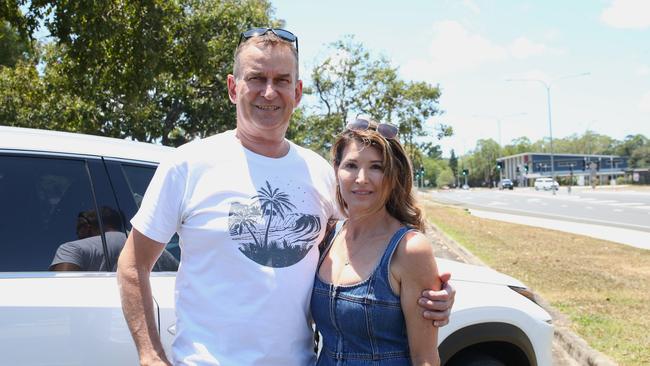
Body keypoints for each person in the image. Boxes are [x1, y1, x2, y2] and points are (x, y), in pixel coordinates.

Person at [117, 27, 455, 366]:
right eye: (256, 78)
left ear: (297, 91)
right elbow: (132, 265)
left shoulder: (321, 173)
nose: (268, 92)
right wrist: (150, 355)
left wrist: (428, 298)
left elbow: (361, 256)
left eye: (281, 80)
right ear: (234, 88)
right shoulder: (187, 165)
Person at [312, 118, 441, 365]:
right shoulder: (328, 236)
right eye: (351, 165)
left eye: (376, 167)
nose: (361, 178)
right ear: (336, 170)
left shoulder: (410, 249)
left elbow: (424, 357)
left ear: (394, 175)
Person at [50, 206, 178, 272]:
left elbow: (62, 292)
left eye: (78, 228)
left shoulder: (71, 249)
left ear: (85, 227)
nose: (77, 233)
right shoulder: (158, 251)